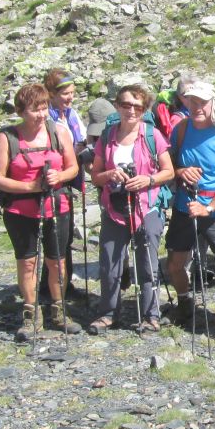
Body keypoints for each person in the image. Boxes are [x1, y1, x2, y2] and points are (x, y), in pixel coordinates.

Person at [0, 83, 80, 341]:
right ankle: (31, 313)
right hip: (20, 210)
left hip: (56, 205)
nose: (41, 115)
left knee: (57, 260)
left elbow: (73, 167)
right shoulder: (7, 137)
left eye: (43, 108)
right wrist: (30, 186)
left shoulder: (58, 132)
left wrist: (59, 176)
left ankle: (59, 310)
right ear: (20, 111)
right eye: (34, 110)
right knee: (27, 260)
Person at [87, 85, 174, 333]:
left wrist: (148, 180)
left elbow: (169, 171)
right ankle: (108, 313)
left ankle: (151, 315)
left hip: (147, 207)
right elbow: (95, 175)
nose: (131, 110)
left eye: (138, 106)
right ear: (117, 106)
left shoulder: (152, 135)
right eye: (126, 105)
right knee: (110, 262)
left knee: (147, 262)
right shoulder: (107, 136)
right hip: (115, 208)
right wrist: (109, 175)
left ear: (144, 109)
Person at [165, 75, 215, 330]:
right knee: (175, 262)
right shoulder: (180, 130)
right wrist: (180, 171)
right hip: (185, 206)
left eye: (202, 102)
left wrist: (209, 207)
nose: (197, 107)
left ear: (212, 103)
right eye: (192, 102)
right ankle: (184, 301)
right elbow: (168, 165)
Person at [40, 69, 87, 301]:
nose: (70, 98)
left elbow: (81, 139)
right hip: (52, 182)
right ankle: (52, 288)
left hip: (68, 178)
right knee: (56, 235)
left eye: (72, 93)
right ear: (51, 94)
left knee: (65, 236)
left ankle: (62, 284)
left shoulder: (70, 115)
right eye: (65, 93)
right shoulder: (45, 117)